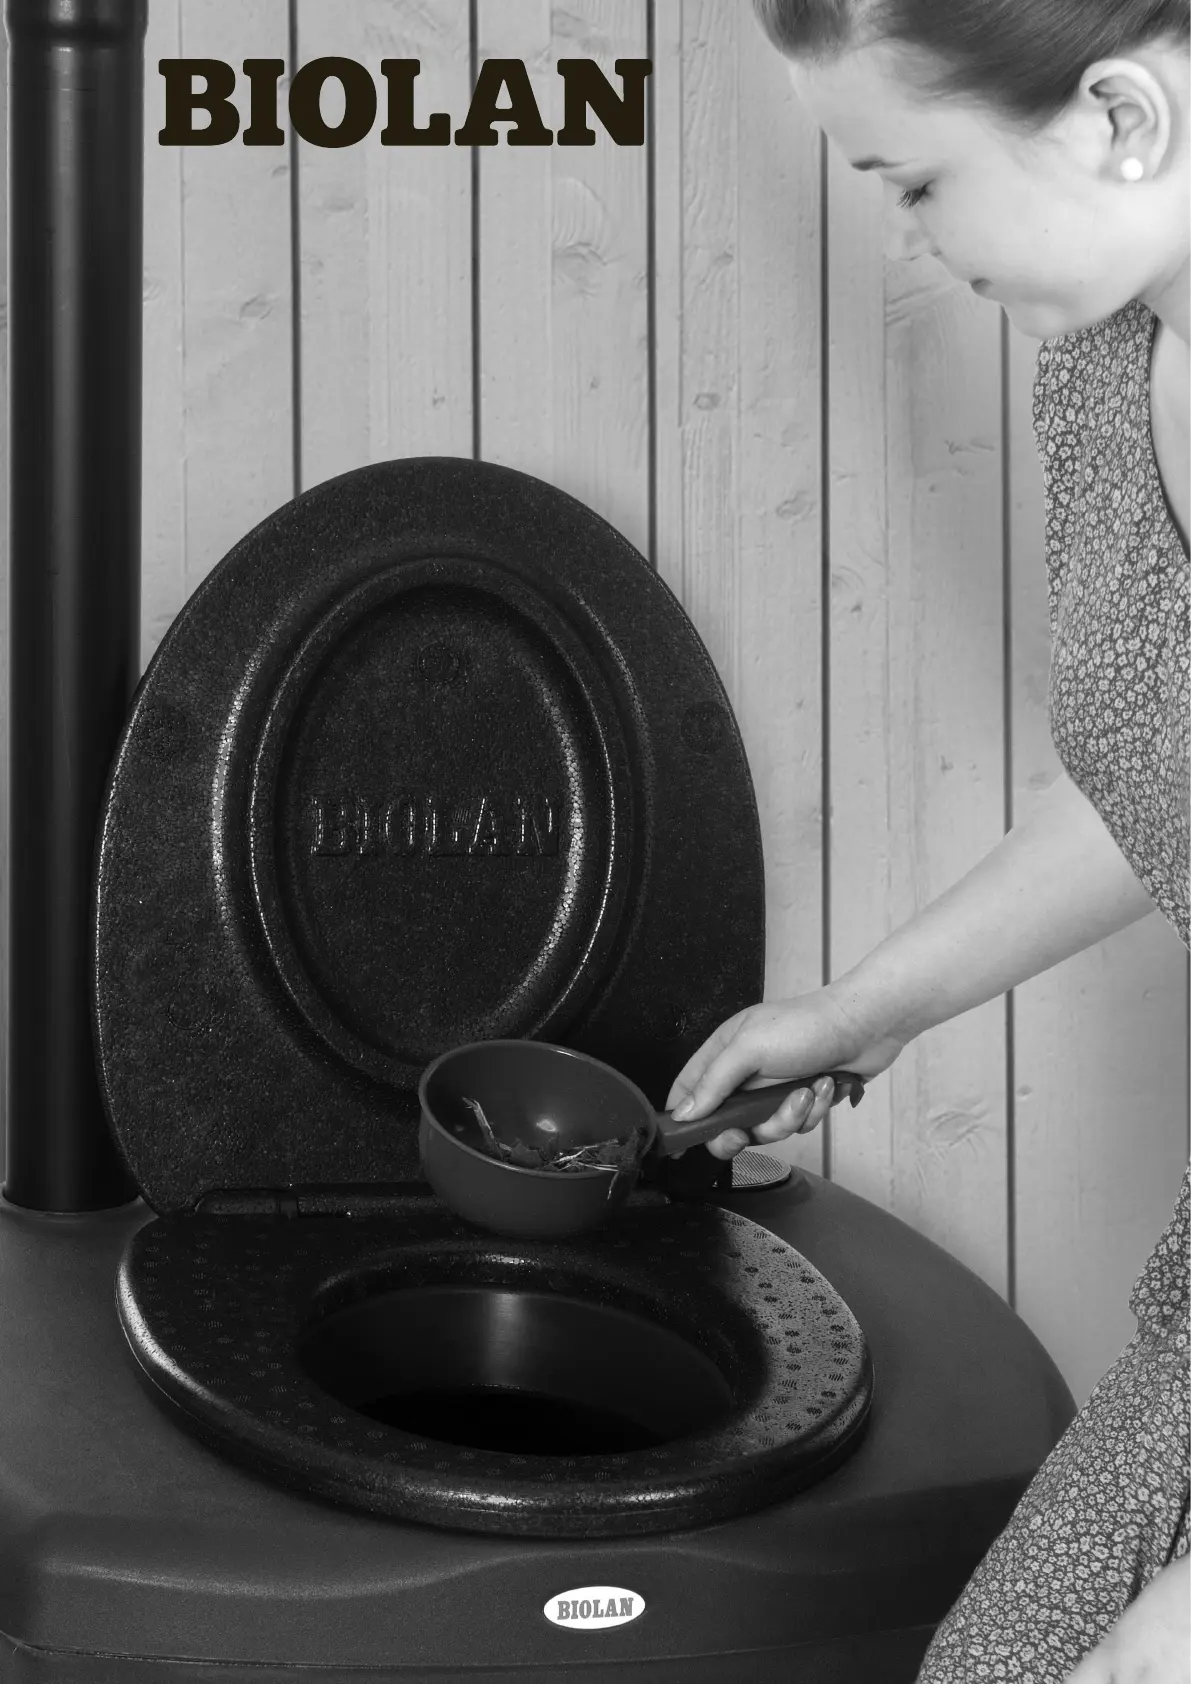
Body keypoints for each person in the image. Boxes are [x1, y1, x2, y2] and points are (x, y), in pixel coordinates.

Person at [663, 2, 1190, 1680]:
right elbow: (1159, 768)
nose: (907, 238)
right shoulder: (1104, 363)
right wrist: (865, 1008)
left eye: (912, 181)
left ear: (1120, 120)